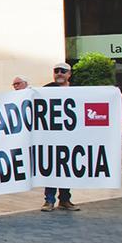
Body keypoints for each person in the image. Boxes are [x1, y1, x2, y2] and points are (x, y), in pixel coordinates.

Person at [42, 62, 80, 212]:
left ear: (69, 74)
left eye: (63, 71)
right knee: (52, 167)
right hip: (52, 136)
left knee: (66, 168)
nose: (59, 73)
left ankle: (65, 199)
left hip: (70, 137)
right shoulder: (47, 89)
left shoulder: (78, 90)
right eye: (56, 71)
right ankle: (49, 200)